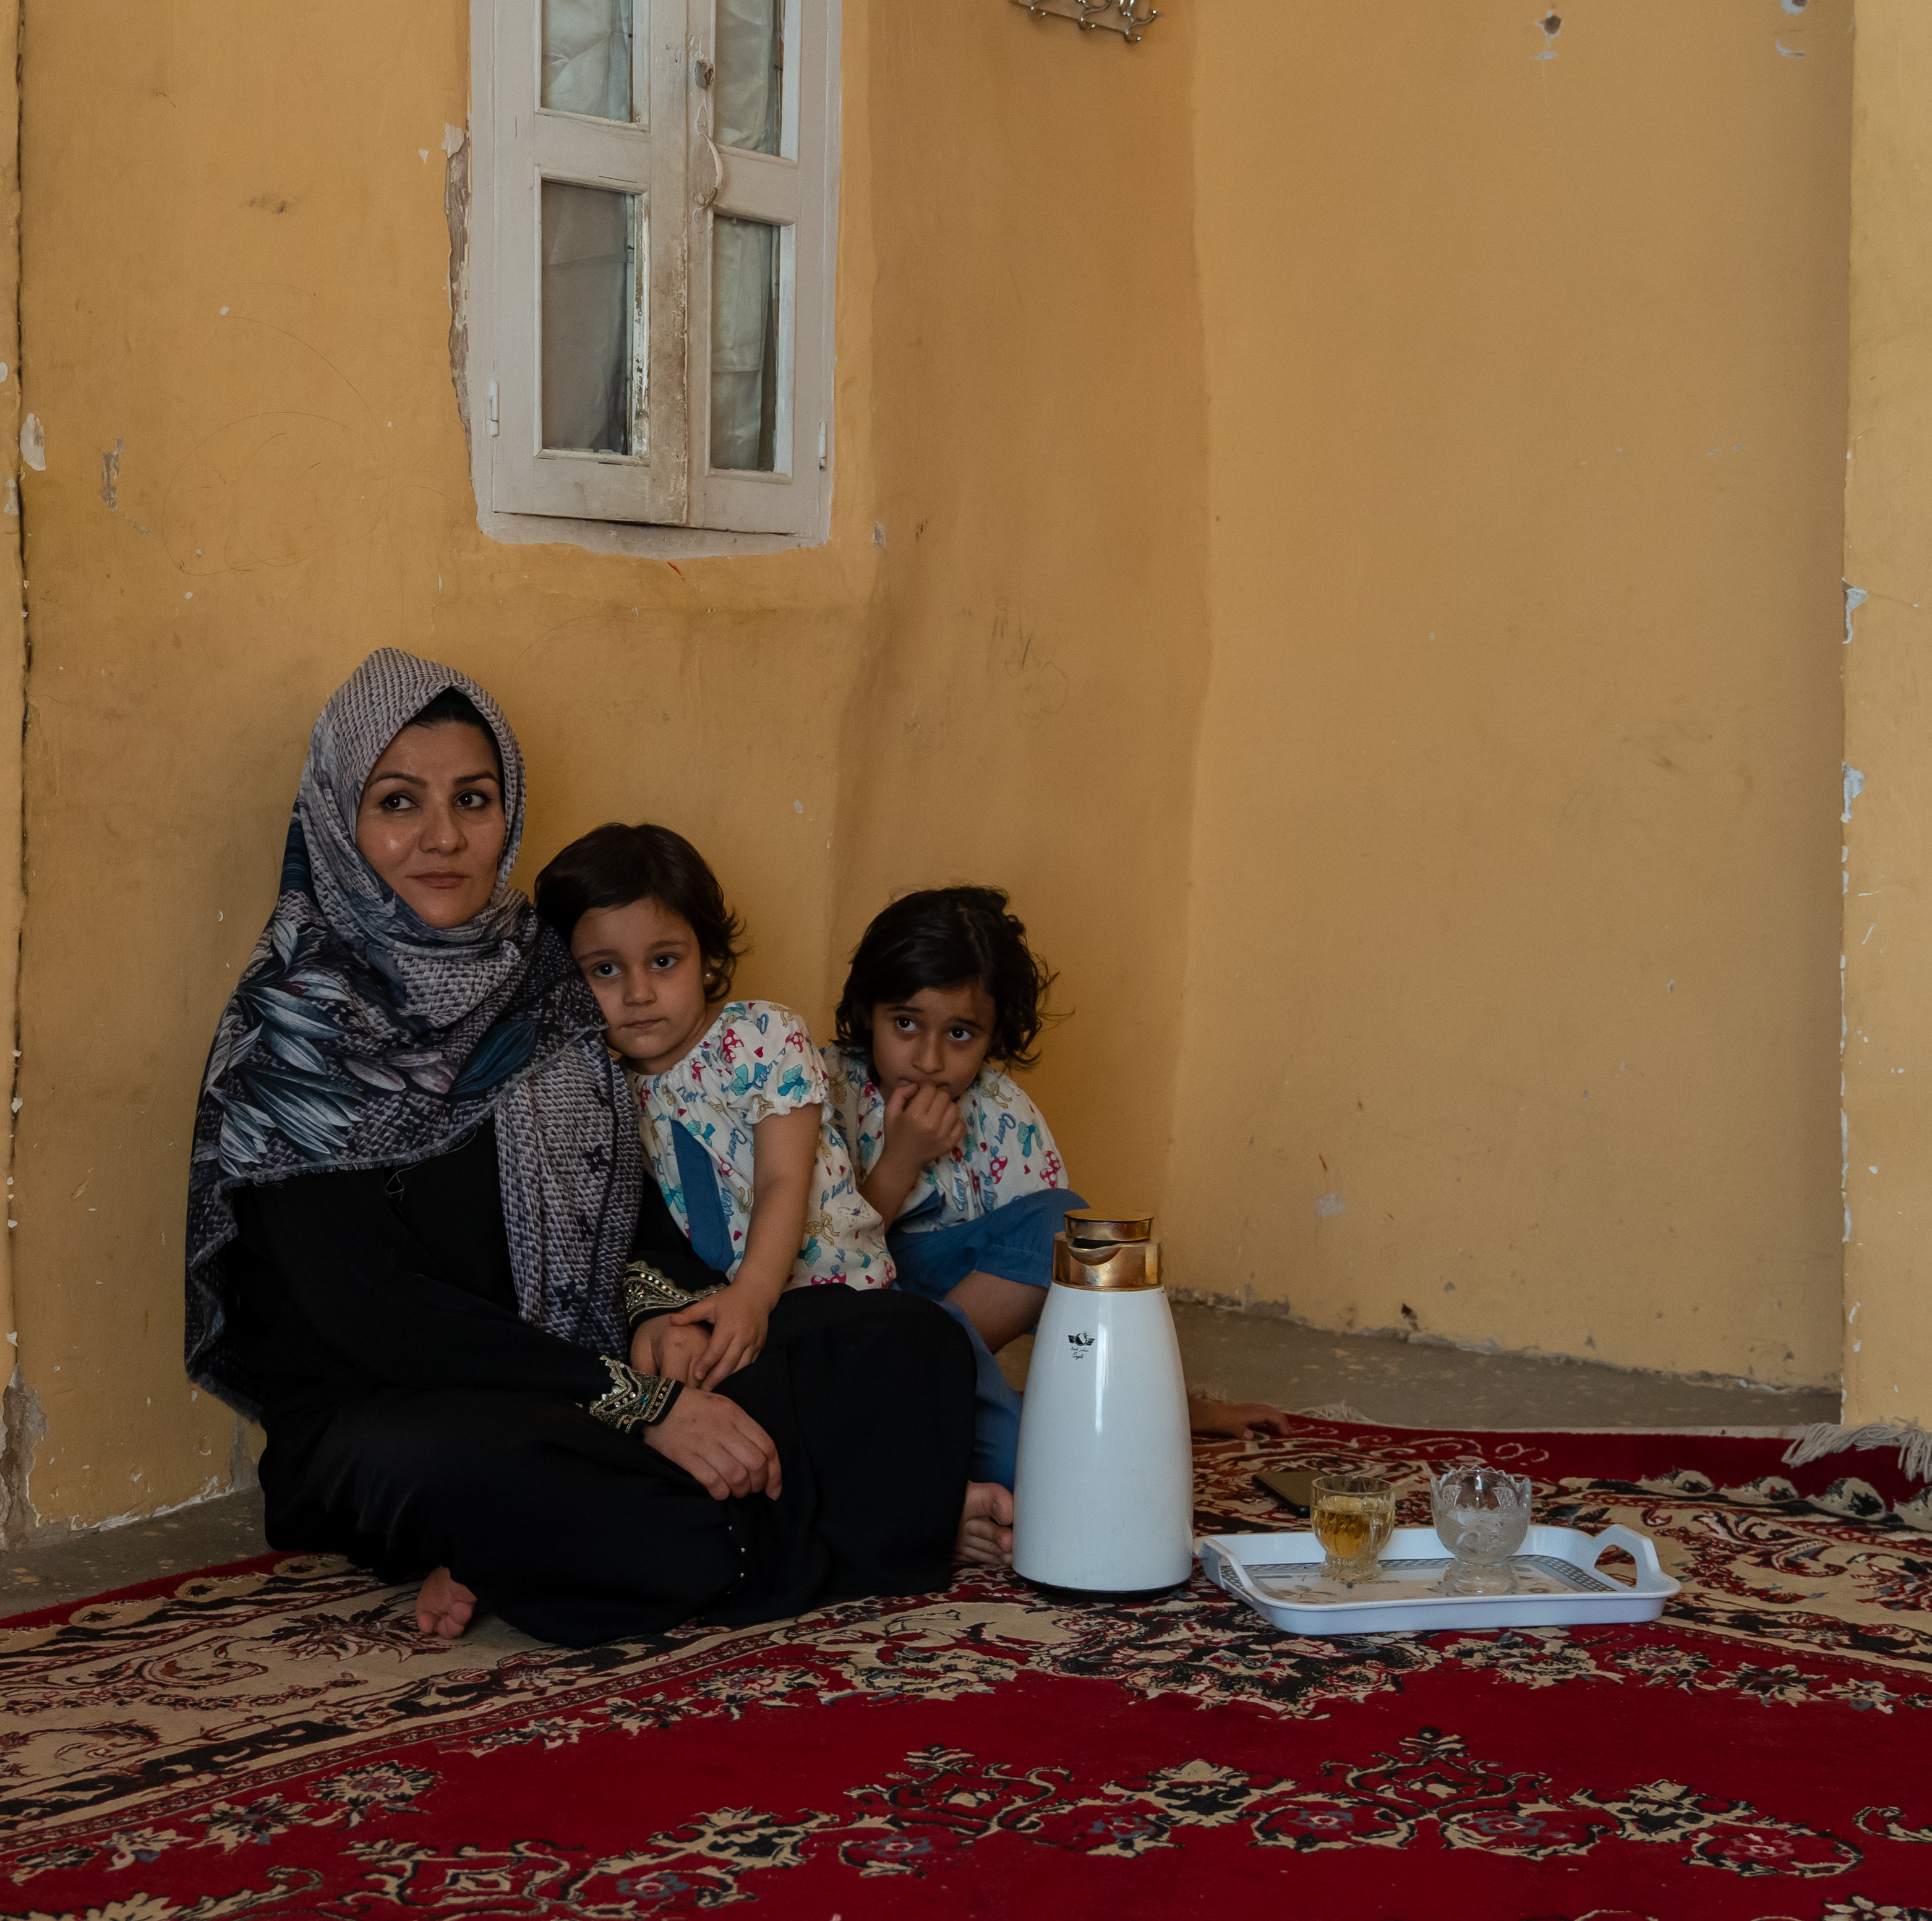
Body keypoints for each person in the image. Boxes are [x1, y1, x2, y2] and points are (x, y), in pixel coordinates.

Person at [185, 649, 1005, 1646]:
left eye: (473, 799)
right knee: (502, 1470)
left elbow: (631, 1211)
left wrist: (669, 1317)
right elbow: (375, 1315)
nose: (442, 837)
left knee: (899, 1343)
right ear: (339, 820)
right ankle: (878, 1522)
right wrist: (638, 1404)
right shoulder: (296, 1032)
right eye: (398, 801)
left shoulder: (539, 985)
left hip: (586, 1359)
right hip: (405, 1406)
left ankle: (601, 1552)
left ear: (509, 811)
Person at [828, 885, 1283, 1448]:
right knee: (1006, 1455)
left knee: (1063, 1227)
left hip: (946, 1345)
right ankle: (923, 1396)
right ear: (867, 1011)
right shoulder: (825, 1093)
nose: (929, 1060)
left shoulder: (1003, 1117)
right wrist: (900, 1159)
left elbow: (1074, 1297)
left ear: (993, 1037)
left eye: (960, 1034)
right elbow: (825, 1263)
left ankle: (938, 1387)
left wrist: (1169, 1403)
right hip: (856, 1325)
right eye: (904, 1023)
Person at [530, 823, 895, 1392]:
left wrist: (753, 1291)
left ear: (705, 956)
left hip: (841, 1289)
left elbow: (782, 1178)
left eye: (664, 961)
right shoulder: (600, 1088)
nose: (638, 993)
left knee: (918, 1381)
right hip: (728, 1314)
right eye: (604, 969)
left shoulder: (762, 1036)